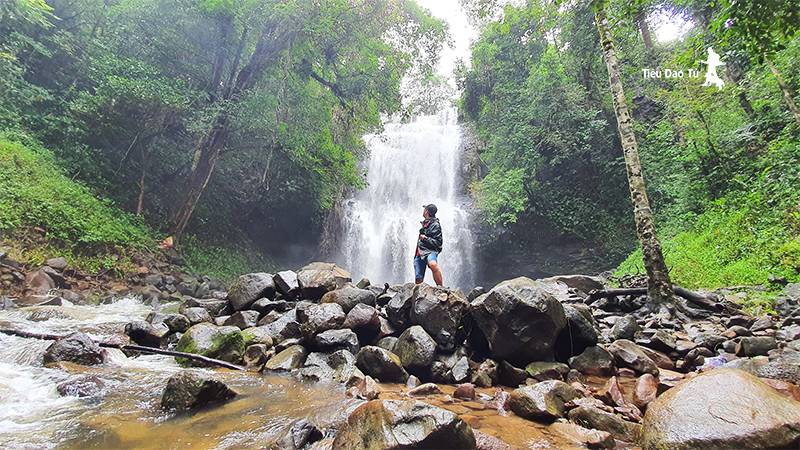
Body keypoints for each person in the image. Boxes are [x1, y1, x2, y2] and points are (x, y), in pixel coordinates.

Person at [414, 204, 443, 286]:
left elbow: (438, 243)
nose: (423, 211)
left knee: (433, 264)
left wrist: (425, 238)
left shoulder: (435, 225)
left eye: (424, 209)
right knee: (418, 278)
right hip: (419, 252)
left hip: (430, 251)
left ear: (426, 211)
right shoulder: (425, 223)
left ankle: (441, 288)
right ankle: (418, 296)